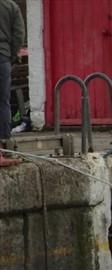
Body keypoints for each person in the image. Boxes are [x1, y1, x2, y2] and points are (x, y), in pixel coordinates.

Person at [0, 0, 24, 167]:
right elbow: (18, 35)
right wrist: (12, 55)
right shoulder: (10, 6)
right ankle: (3, 144)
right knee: (2, 102)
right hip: (2, 57)